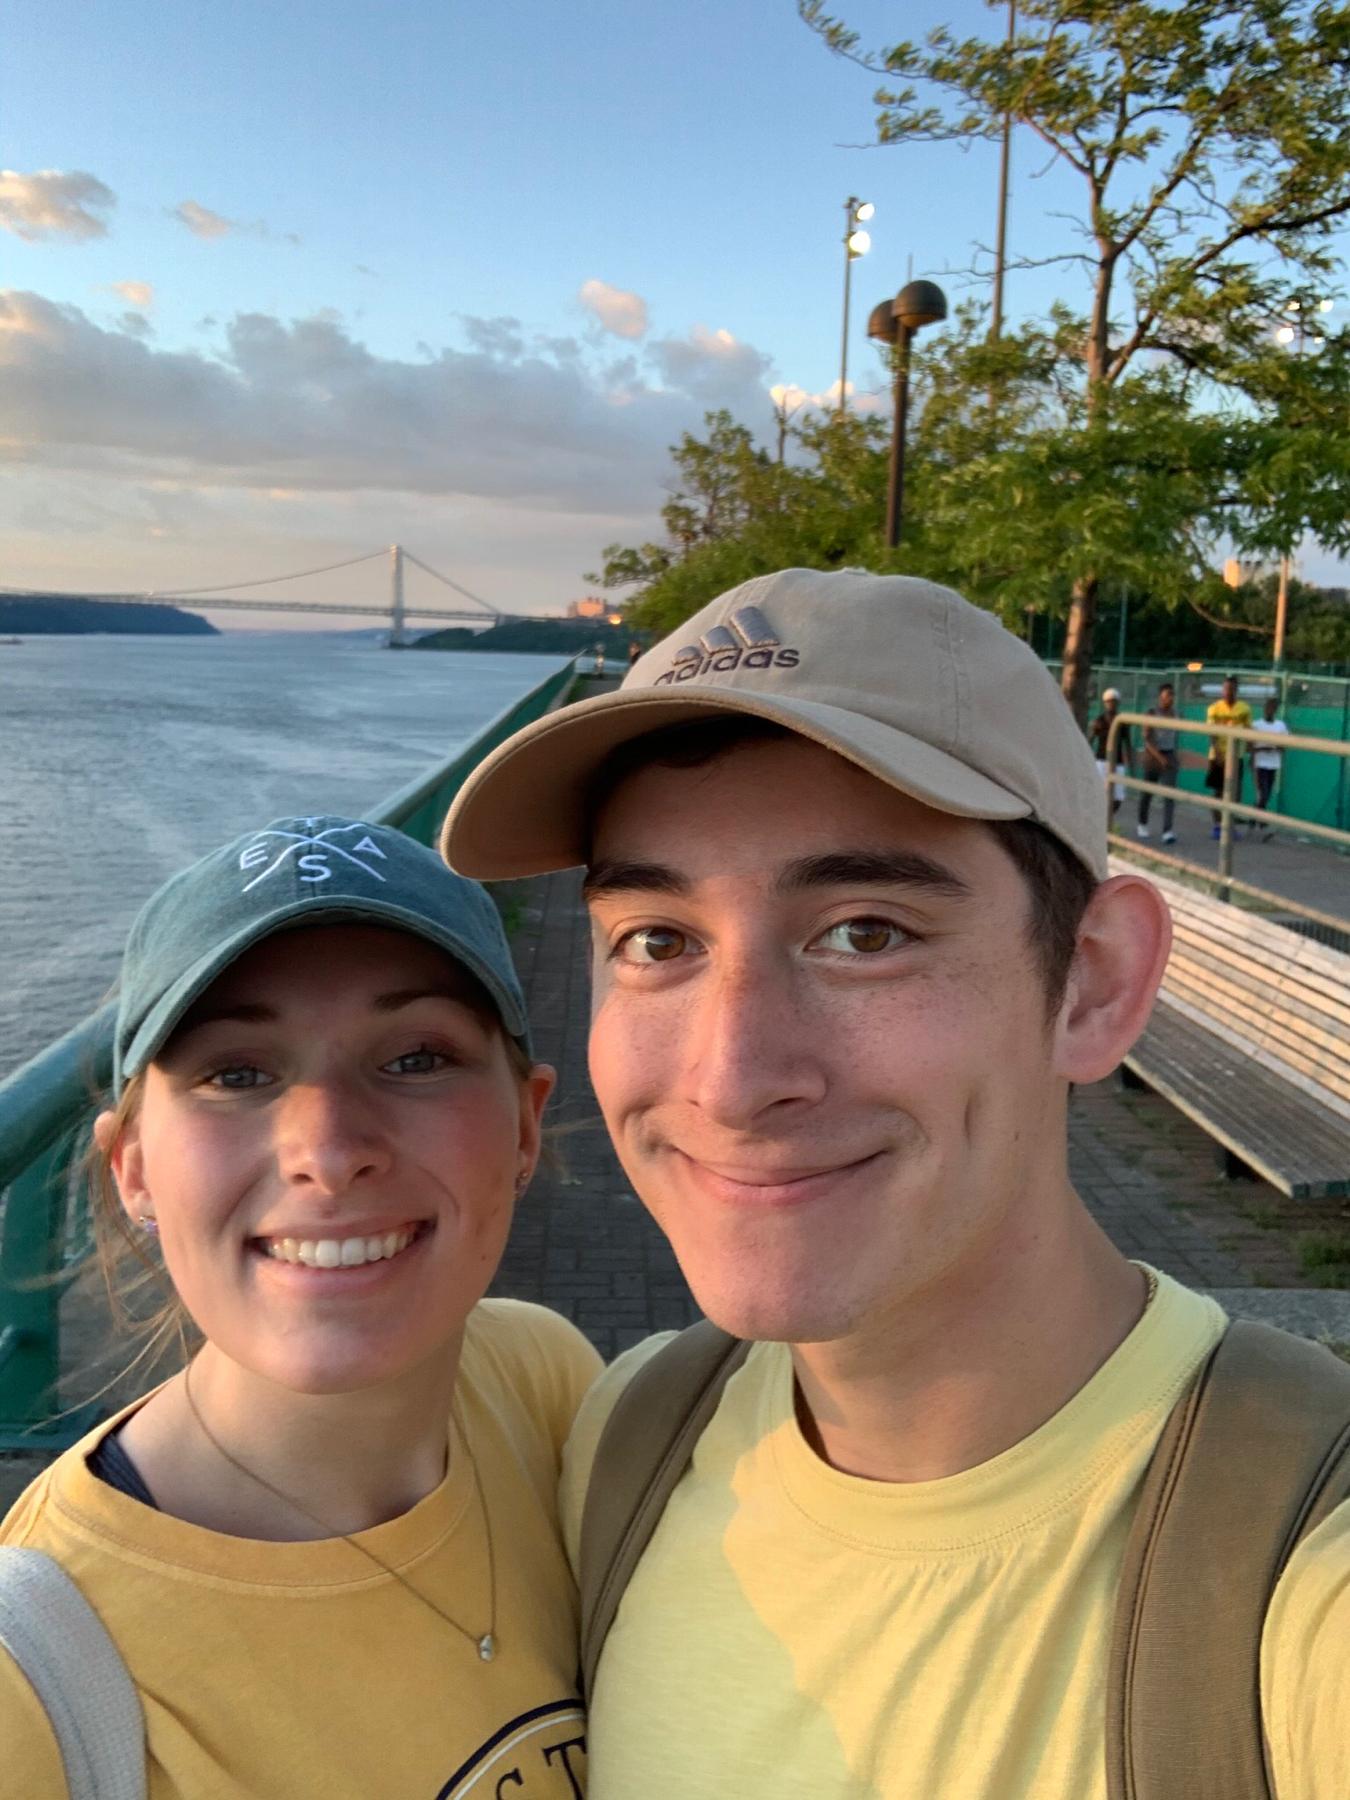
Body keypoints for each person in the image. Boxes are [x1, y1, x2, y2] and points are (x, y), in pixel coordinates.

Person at [441, 569, 1349, 1800]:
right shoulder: (633, 1441)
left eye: (867, 932)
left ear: (1092, 984)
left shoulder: (1299, 1569)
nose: (732, 1077)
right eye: (658, 941)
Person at [0, 816, 600, 1798]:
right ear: (133, 1168)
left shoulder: (542, 1383)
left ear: (526, 1123)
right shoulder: (36, 1684)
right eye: (236, 1073)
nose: (326, 1146)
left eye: (414, 1057)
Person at [1205, 673, 1253, 838]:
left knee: (1235, 793)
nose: (1227, 692)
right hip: (1218, 757)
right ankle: (1218, 826)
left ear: (1236, 690)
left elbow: (1248, 732)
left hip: (1236, 756)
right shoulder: (1214, 708)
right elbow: (1211, 733)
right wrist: (1217, 752)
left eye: (1231, 689)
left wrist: (1250, 752)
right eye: (1225, 688)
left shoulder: (1244, 708)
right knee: (1218, 792)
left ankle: (1229, 826)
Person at [1136, 680, 1180, 843]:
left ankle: (1167, 831)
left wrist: (1173, 756)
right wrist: (1159, 757)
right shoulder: (1152, 713)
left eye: (1172, 695)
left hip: (1169, 754)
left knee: (1170, 795)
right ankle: (1142, 823)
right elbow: (1147, 739)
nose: (1170, 698)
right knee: (1147, 792)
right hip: (1153, 755)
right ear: (1160, 697)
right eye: (1167, 695)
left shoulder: (1175, 714)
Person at [1088, 687, 1133, 818]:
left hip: (1118, 762)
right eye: (1108, 702)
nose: (1111, 704)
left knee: (1118, 797)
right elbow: (1090, 740)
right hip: (1101, 761)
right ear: (1104, 703)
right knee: (1099, 794)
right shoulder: (1099, 721)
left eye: (1113, 701)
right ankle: (1100, 819)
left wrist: (1131, 764)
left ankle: (1108, 818)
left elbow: (1128, 743)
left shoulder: (1122, 721)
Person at [1252, 694, 1290, 837]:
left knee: (1266, 795)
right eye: (1268, 707)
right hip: (1259, 764)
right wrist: (1263, 749)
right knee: (1263, 792)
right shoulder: (1256, 725)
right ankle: (1262, 823)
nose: (1270, 710)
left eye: (1273, 708)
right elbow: (1250, 747)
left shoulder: (1280, 726)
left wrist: (1276, 748)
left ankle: (1253, 816)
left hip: (1273, 764)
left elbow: (1284, 746)